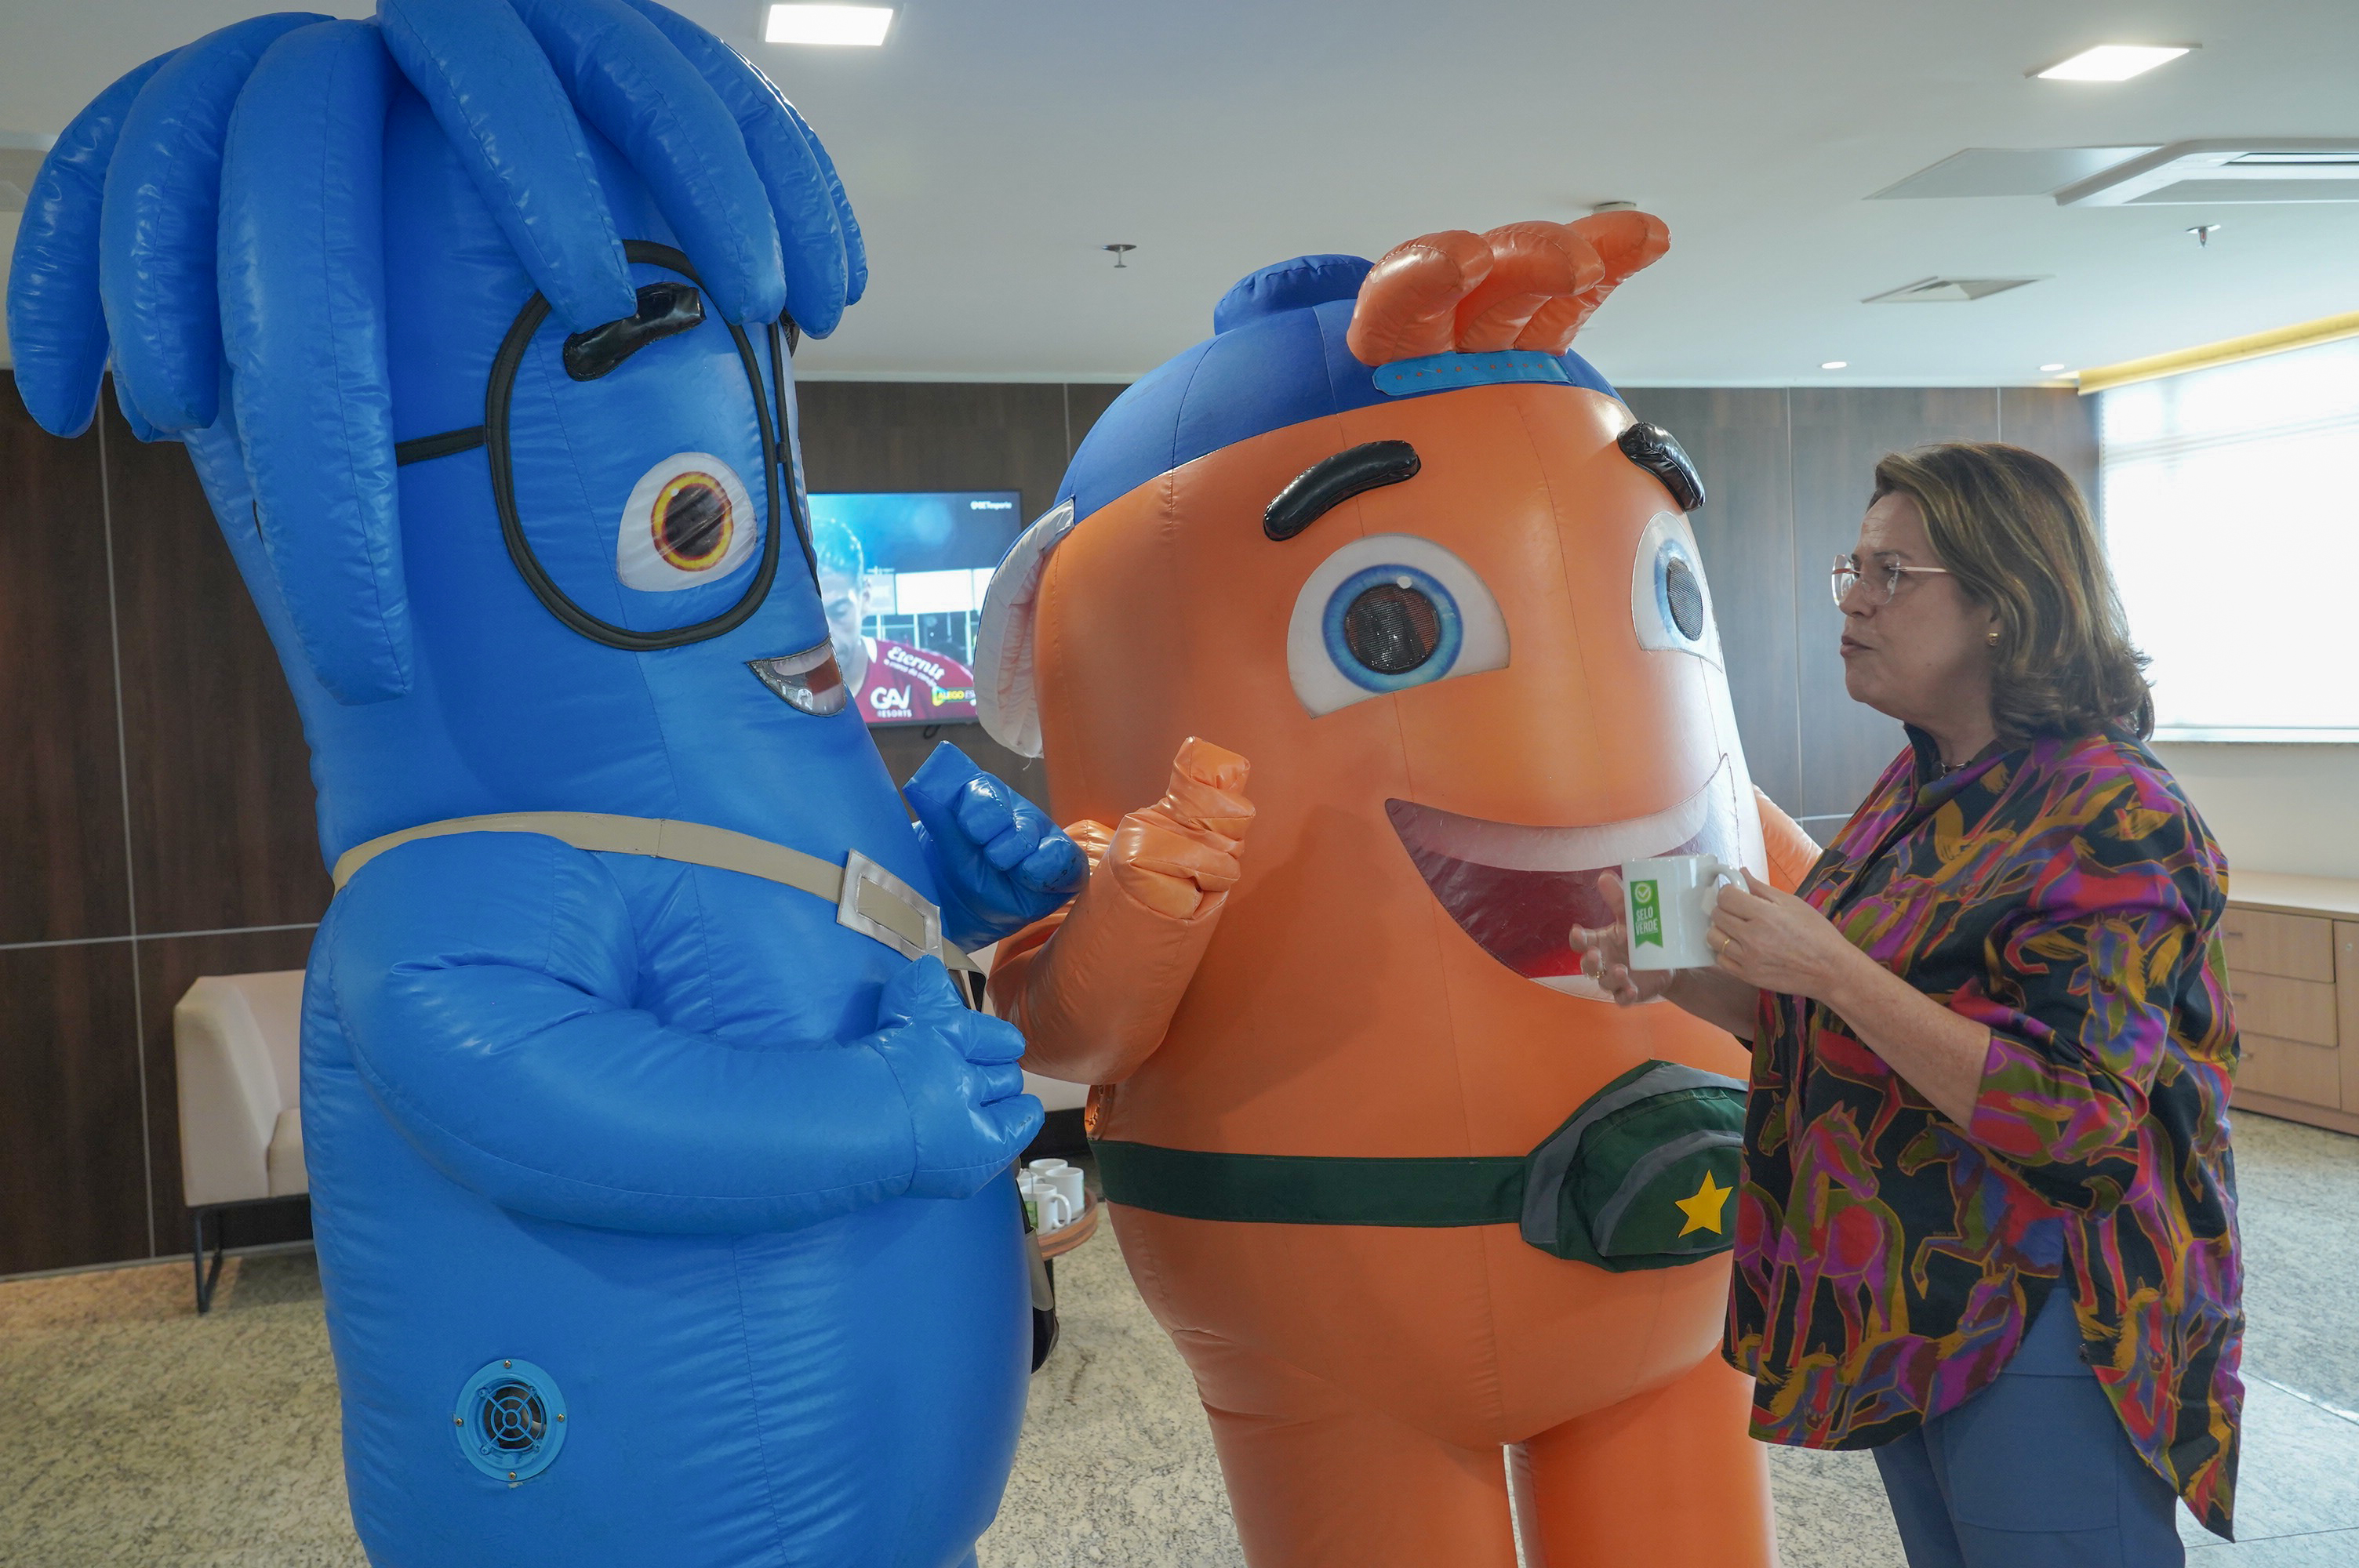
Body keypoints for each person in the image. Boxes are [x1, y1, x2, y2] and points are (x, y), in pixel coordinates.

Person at [1572, 442, 2241, 1566]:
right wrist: (1696, 980)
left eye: (1893, 575)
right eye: (1855, 569)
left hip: (2048, 1308)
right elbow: (1848, 1034)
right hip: (1909, 1301)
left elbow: (2073, 1116)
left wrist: (1833, 966)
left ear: (2003, 604)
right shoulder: (1922, 785)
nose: (1854, 602)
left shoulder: (2114, 813)